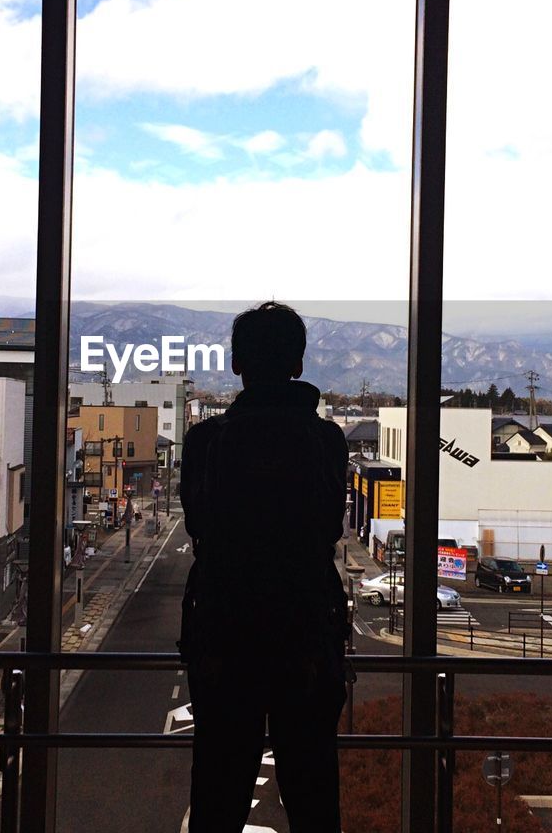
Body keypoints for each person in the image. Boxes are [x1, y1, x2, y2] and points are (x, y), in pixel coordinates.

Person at [179, 301, 348, 832]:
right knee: (314, 797)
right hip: (306, 644)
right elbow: (327, 528)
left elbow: (197, 525)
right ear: (298, 364)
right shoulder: (327, 441)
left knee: (217, 797)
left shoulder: (206, 441)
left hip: (225, 645)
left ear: (236, 363)